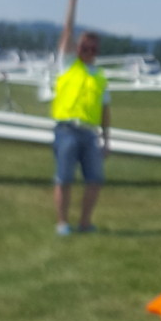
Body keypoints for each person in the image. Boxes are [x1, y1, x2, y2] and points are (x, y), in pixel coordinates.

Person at [50, 29, 110, 235]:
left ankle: (85, 223)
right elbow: (67, 32)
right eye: (85, 47)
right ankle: (62, 223)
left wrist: (106, 139)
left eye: (93, 49)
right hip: (66, 130)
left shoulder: (100, 76)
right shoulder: (68, 65)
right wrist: (71, 8)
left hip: (90, 133)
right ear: (77, 48)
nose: (89, 52)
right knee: (64, 178)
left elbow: (105, 110)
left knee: (95, 179)